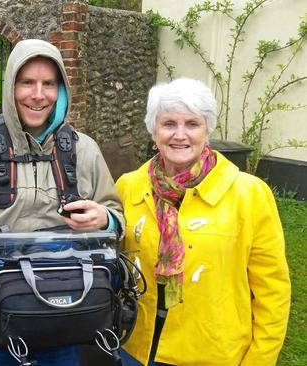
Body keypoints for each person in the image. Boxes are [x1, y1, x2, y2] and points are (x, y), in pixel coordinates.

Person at [0, 39, 125, 366]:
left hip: (68, 325)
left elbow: (116, 222)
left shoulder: (84, 150)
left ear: (60, 89)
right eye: (27, 82)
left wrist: (105, 219)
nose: (38, 94)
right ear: (10, 87)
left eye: (48, 84)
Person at [116, 78, 291, 365]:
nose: (180, 135)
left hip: (212, 354)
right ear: (154, 130)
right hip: (137, 348)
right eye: (169, 124)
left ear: (207, 130)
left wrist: (260, 360)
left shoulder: (249, 194)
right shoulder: (129, 186)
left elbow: (273, 292)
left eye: (192, 124)